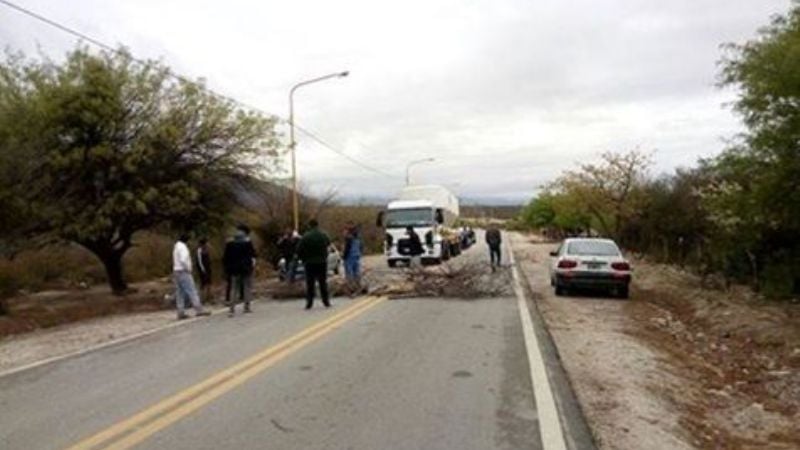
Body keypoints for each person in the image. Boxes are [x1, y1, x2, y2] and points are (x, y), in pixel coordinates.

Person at [173, 234, 210, 320]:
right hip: (183, 271)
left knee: (180, 292)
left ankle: (180, 311)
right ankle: (199, 309)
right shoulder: (183, 248)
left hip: (176, 270)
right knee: (192, 290)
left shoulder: (176, 246)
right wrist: (188, 268)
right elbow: (183, 259)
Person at [223, 224, 257, 317]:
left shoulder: (230, 242)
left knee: (234, 288)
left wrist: (227, 268)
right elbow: (253, 255)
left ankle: (231, 309)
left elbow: (226, 258)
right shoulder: (247, 242)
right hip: (246, 268)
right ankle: (246, 307)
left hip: (234, 269)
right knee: (247, 287)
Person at [296, 219, 331, 309]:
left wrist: (303, 258)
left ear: (309, 226)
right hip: (322, 262)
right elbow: (328, 243)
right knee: (322, 282)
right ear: (317, 225)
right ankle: (326, 301)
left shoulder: (306, 236)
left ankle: (309, 302)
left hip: (309, 262)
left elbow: (299, 249)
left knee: (310, 283)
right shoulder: (323, 235)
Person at [343, 223, 364, 296]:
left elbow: (347, 249)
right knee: (356, 273)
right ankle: (358, 288)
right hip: (356, 256)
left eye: (345, 231)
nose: (343, 232)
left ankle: (351, 290)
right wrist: (360, 254)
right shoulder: (358, 239)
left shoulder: (349, 239)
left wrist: (344, 256)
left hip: (349, 257)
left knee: (349, 274)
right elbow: (361, 248)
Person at [196, 238, 213, 304]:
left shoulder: (207, 250)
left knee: (209, 283)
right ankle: (202, 299)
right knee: (203, 284)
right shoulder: (199, 250)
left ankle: (209, 297)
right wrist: (202, 269)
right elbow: (199, 261)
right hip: (202, 269)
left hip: (208, 267)